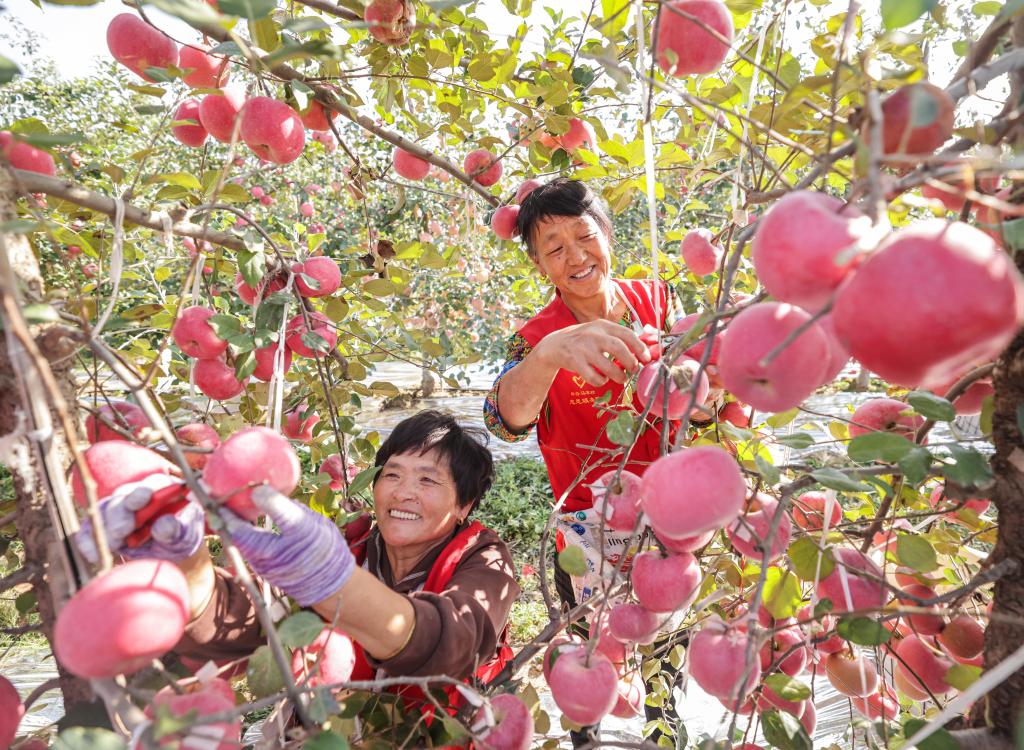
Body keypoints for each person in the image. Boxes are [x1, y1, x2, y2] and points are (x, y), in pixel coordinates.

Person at [76, 410, 520, 725]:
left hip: (439, 734)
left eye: (427, 479)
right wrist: (186, 573)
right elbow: (259, 626)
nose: (404, 492)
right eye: (392, 474)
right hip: (332, 731)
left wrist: (333, 585)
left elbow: (454, 643)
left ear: (464, 505)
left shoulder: (486, 564)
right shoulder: (347, 543)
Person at [483, 178, 706, 744]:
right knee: (590, 662)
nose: (576, 256)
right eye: (554, 248)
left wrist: (706, 399)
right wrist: (551, 356)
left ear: (608, 235)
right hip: (585, 529)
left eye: (584, 236)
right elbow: (500, 419)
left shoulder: (658, 300)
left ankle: (665, 734)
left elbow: (700, 401)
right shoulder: (534, 337)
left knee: (663, 665)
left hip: (665, 524)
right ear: (539, 266)